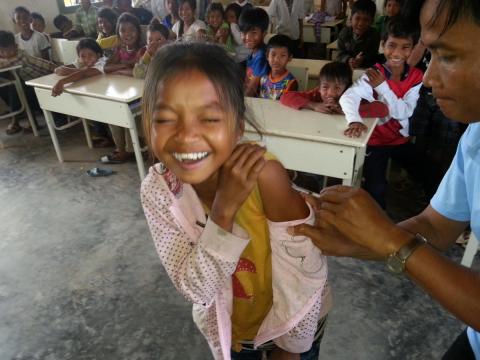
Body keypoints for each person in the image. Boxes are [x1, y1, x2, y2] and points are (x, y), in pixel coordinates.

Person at [289, 0, 480, 358]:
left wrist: (390, 240)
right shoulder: (476, 137)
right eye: (432, 55)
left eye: (448, 57)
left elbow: (398, 110)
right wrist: (358, 243)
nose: (430, 77)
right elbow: (435, 226)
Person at [141, 42, 331, 360]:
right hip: (231, 327)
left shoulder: (264, 175)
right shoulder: (159, 191)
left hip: (294, 319)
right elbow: (196, 289)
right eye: (165, 119)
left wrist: (291, 346)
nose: (187, 136)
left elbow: (304, 268)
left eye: (209, 119)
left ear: (238, 127)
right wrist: (224, 209)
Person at [339, 18, 423, 208]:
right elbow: (347, 98)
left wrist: (383, 88)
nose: (397, 53)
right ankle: (377, 222)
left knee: (431, 173)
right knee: (376, 189)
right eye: (392, 45)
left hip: (400, 140)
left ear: (412, 49)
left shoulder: (416, 77)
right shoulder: (374, 74)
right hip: (375, 142)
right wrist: (354, 120)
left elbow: (404, 112)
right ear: (382, 45)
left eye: (405, 47)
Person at [100, 13, 144, 163]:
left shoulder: (142, 50)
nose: (127, 34)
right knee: (113, 111)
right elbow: (106, 68)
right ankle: (121, 148)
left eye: (131, 30)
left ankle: (129, 150)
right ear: (118, 32)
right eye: (123, 30)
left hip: (140, 97)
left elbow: (136, 72)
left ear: (138, 32)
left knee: (126, 112)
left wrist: (121, 70)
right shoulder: (120, 50)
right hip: (124, 93)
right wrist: (124, 65)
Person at [0, 30, 56, 135]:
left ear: (15, 46)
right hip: (28, 83)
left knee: (16, 86)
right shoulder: (8, 57)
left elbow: (5, 64)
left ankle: (21, 119)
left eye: (8, 50)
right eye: (2, 51)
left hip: (45, 78)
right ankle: (24, 119)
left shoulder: (20, 56)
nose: (6, 54)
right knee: (14, 85)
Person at [337, 0, 380, 69]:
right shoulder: (344, 33)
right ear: (351, 19)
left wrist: (362, 59)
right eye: (357, 18)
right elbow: (339, 55)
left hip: (365, 70)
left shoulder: (374, 35)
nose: (361, 24)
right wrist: (349, 60)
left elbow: (373, 57)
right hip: (346, 69)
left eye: (366, 20)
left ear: (372, 21)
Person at [239, 7, 270, 97]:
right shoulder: (253, 53)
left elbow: (251, 90)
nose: (248, 37)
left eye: (254, 32)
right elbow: (247, 80)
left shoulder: (262, 57)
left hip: (258, 102)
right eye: (244, 32)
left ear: (264, 34)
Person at [259, 34, 297, 100]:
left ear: (289, 58)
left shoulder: (291, 83)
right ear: (267, 56)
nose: (276, 60)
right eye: (273, 54)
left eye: (283, 55)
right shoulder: (263, 77)